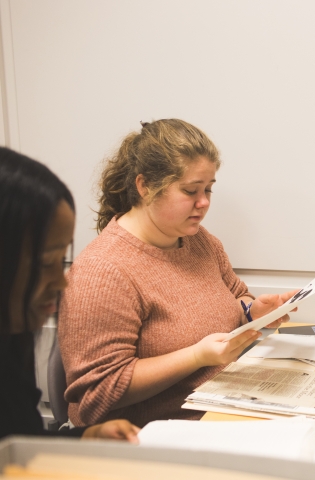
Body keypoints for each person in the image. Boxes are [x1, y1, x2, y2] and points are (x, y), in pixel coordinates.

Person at [59, 119, 298, 428]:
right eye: (190, 191)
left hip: (223, 409)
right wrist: (197, 357)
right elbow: (97, 394)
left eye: (209, 189)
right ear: (144, 187)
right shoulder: (103, 271)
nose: (204, 203)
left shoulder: (199, 241)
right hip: (151, 437)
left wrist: (252, 312)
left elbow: (237, 295)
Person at [0, 147, 139, 441]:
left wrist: (86, 438)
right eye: (45, 263)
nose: (61, 283)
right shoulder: (104, 266)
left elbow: (21, 439)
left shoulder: (12, 342)